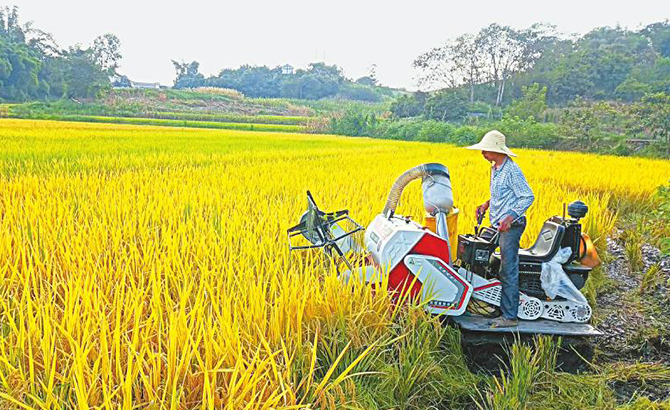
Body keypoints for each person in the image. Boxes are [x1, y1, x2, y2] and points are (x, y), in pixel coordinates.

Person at [466, 130, 535, 328]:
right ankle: (489, 303)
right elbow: (501, 194)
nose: (483, 153)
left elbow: (527, 196)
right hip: (496, 222)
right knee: (478, 256)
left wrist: (510, 218)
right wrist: (486, 204)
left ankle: (509, 316)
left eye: (485, 150)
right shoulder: (495, 168)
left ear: (496, 150)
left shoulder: (512, 170)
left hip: (510, 226)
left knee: (508, 268)